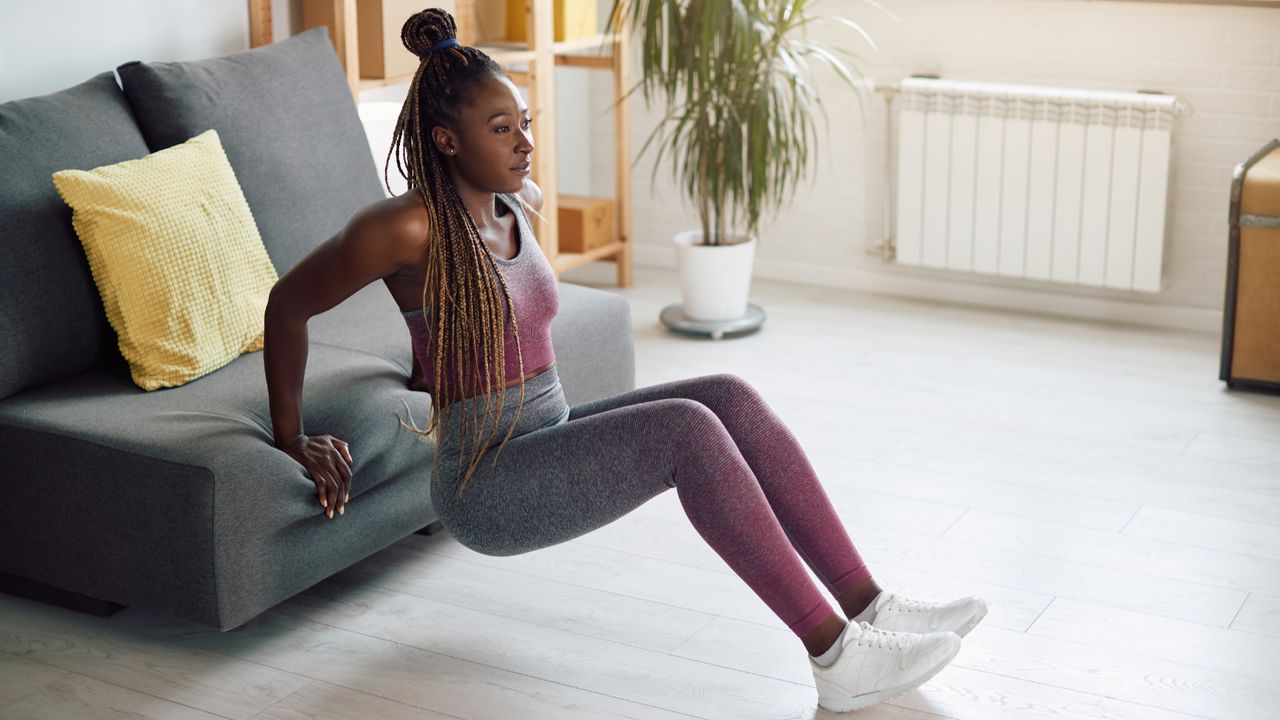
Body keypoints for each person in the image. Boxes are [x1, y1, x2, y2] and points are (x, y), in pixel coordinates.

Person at [262, 7, 987, 713]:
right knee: (685, 431)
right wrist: (293, 437)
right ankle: (838, 658)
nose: (524, 144)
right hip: (486, 480)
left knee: (727, 395)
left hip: (547, 427)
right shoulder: (405, 226)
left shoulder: (517, 205)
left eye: (526, 125)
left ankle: (870, 604)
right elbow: (286, 306)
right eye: (501, 128)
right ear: (447, 141)